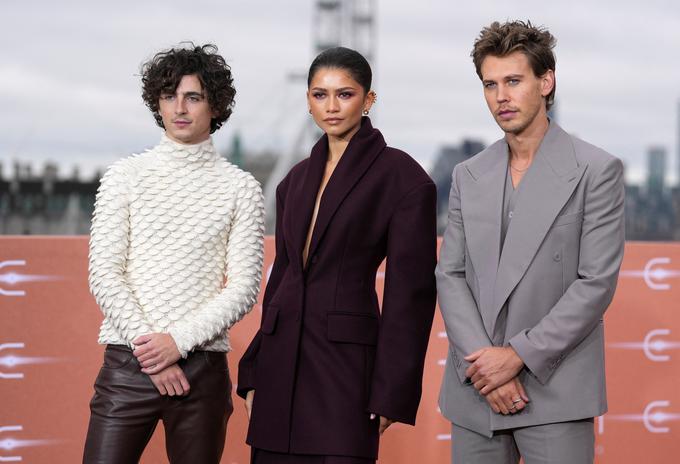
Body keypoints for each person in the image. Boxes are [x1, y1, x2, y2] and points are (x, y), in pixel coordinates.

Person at [436, 20, 625, 464]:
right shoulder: (468, 174)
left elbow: (594, 284)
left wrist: (517, 356)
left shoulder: (596, 170)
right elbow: (451, 273)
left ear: (546, 81)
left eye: (514, 81)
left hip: (554, 392)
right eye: (490, 84)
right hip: (476, 392)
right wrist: (488, 369)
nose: (501, 96)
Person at [238, 46, 437, 463]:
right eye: (319, 94)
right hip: (279, 366)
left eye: (344, 94)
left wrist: (392, 390)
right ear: (308, 100)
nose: (331, 106)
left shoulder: (402, 178)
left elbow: (411, 294)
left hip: (345, 372)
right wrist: (253, 369)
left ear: (368, 100)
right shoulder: (292, 182)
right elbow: (282, 281)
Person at [83, 43, 265, 464]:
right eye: (169, 96)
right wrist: (154, 354)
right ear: (157, 104)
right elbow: (105, 274)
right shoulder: (123, 177)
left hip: (201, 371)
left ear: (215, 105)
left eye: (194, 96)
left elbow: (243, 289)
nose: (180, 107)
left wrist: (177, 344)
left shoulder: (241, 188)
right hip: (128, 367)